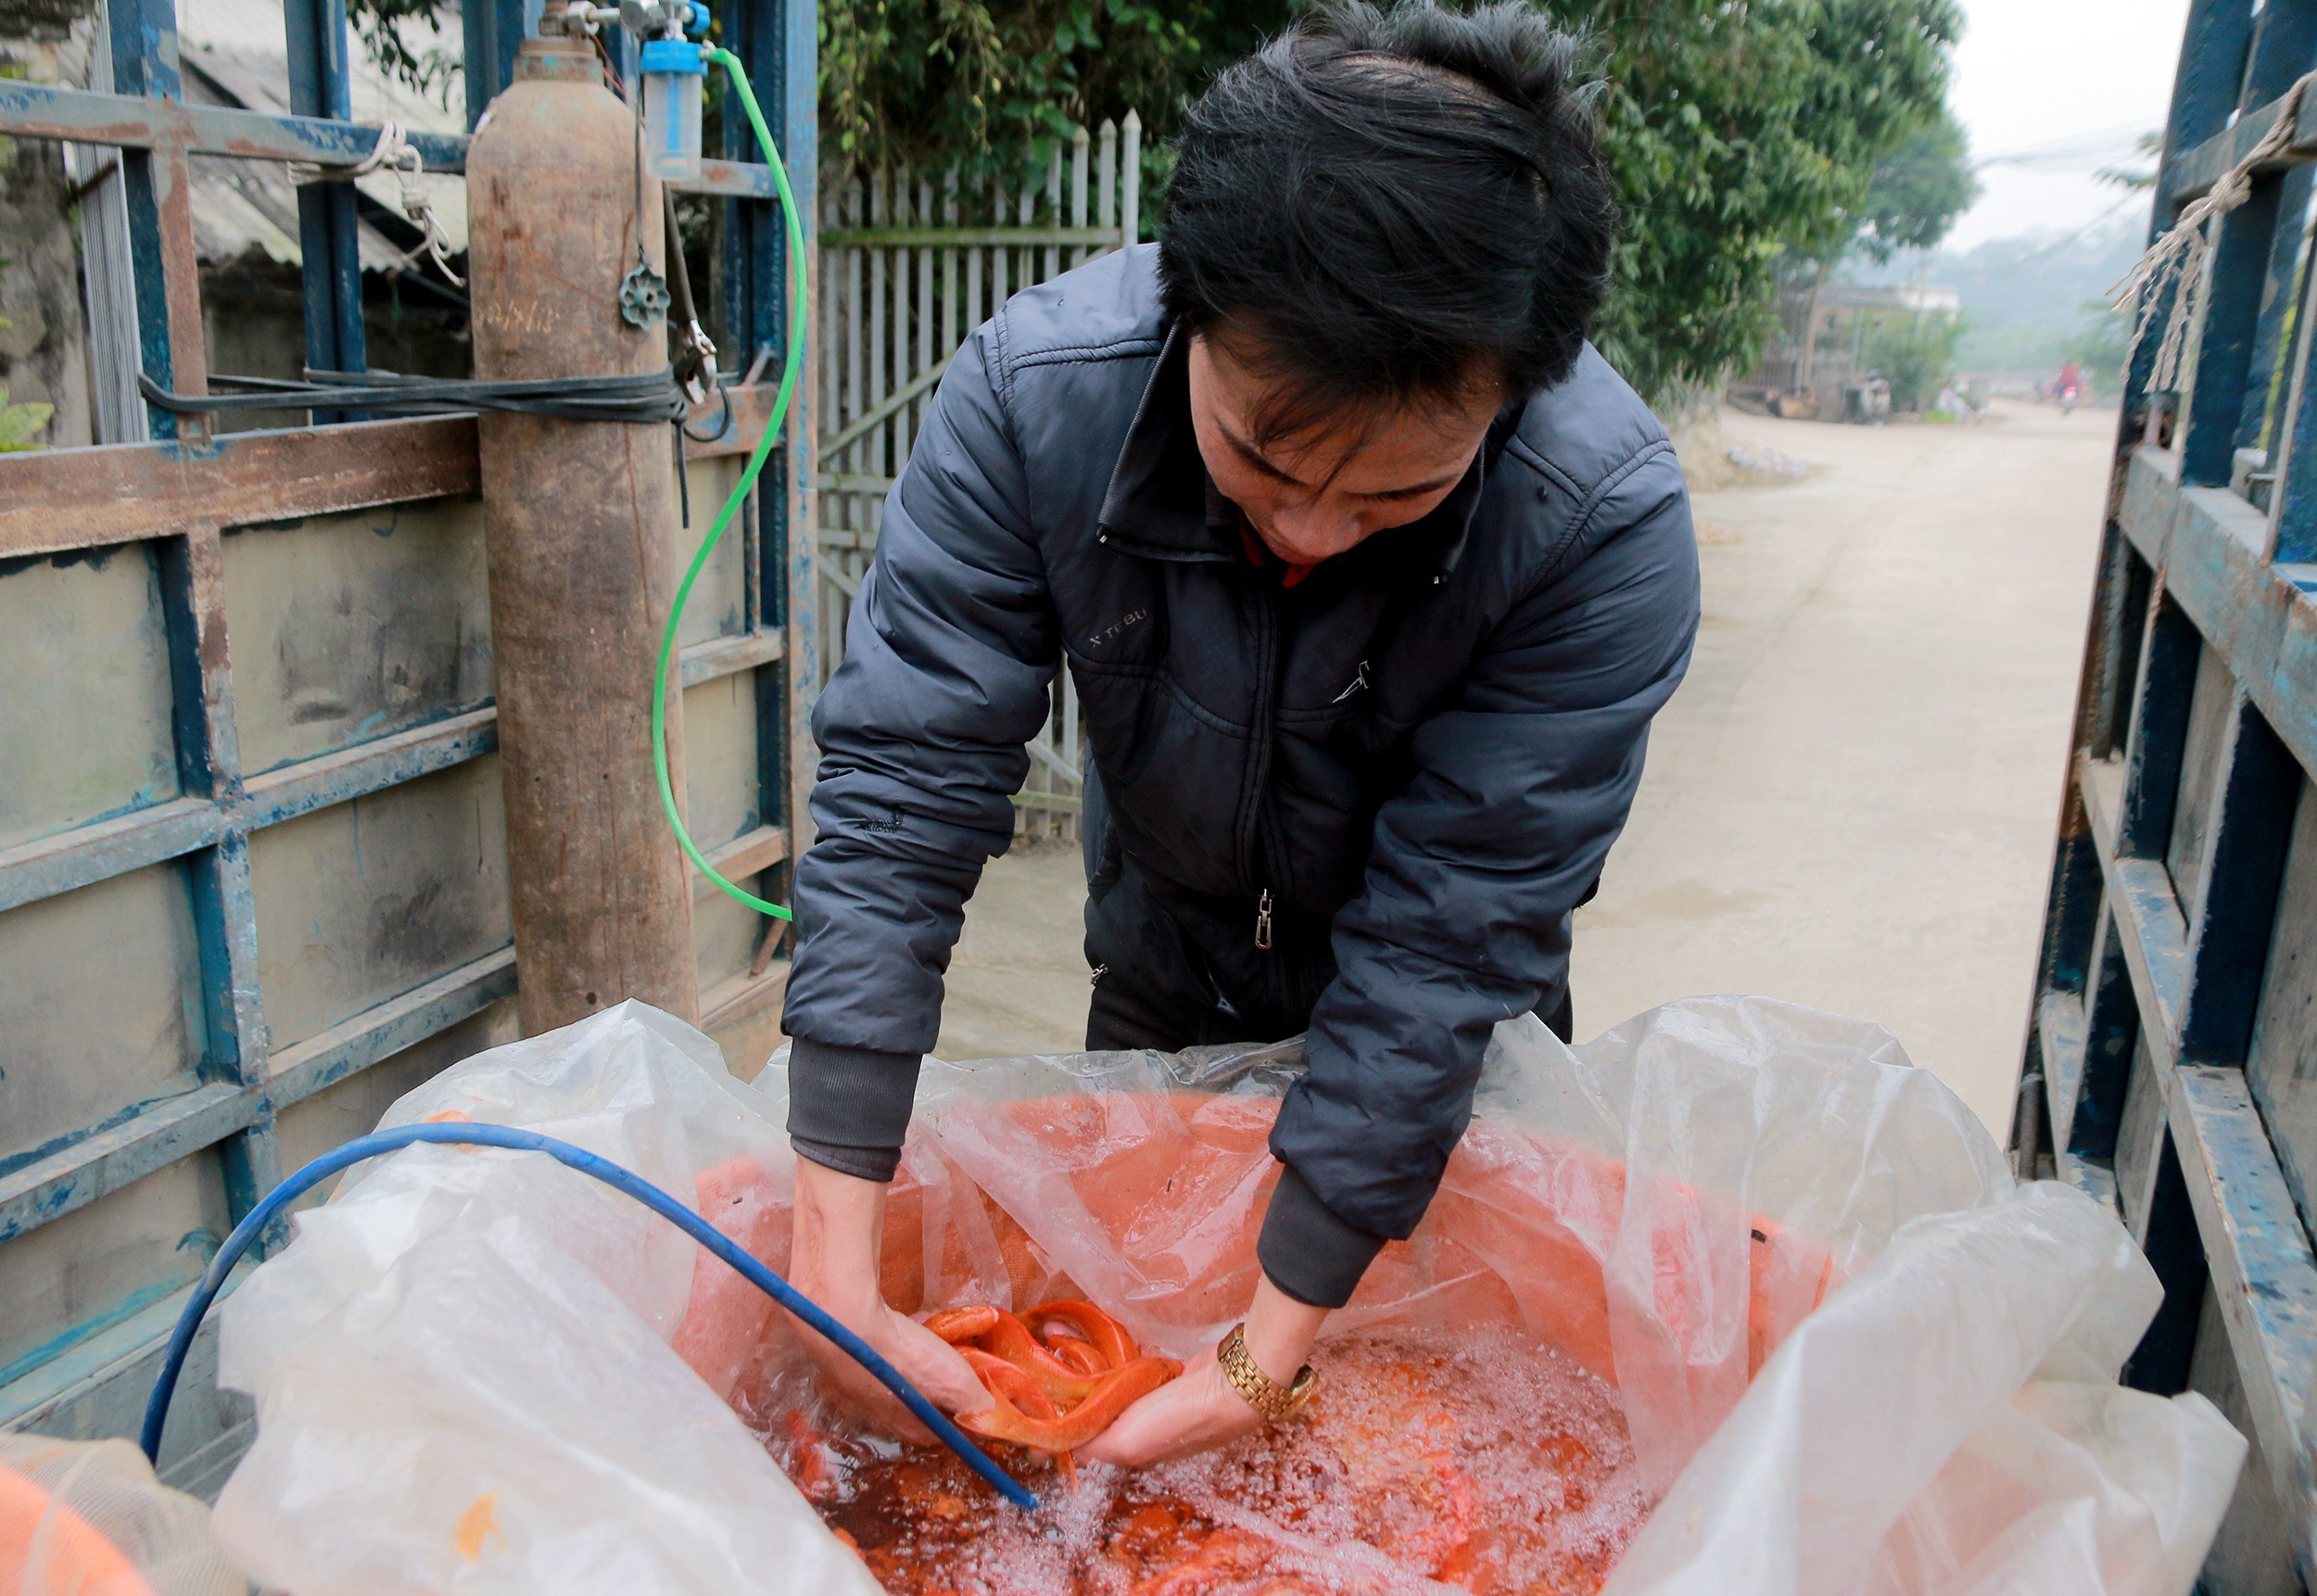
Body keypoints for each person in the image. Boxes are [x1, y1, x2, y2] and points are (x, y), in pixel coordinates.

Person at [777, 0, 1701, 1465]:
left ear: (1513, 398)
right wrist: (835, 1256)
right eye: (1262, 458)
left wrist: (1269, 1355)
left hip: (1444, 1069)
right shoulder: (1033, 404)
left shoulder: (1599, 524)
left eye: (1396, 495)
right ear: (1183, 309)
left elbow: (1452, 938)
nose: (1315, 529)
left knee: (1420, 1433)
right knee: (1103, 1388)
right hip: (1162, 984)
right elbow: (903, 792)